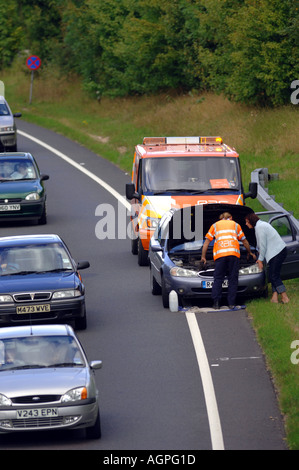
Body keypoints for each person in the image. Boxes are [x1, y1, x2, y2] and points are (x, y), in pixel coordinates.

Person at [201, 212, 255, 309]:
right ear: (230, 217)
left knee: (218, 279)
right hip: (233, 255)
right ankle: (231, 303)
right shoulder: (235, 225)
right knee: (232, 279)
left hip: (220, 256)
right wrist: (249, 252)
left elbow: (206, 243)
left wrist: (203, 257)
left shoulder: (215, 225)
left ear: (221, 218)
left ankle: (216, 303)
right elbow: (244, 241)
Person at [245, 212, 289, 304]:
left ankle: (284, 297)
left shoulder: (260, 227)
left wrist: (260, 260)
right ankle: (275, 297)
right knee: (273, 274)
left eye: (247, 222)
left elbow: (263, 246)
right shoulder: (260, 225)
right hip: (277, 252)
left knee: (274, 275)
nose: (246, 224)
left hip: (277, 252)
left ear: (251, 221)